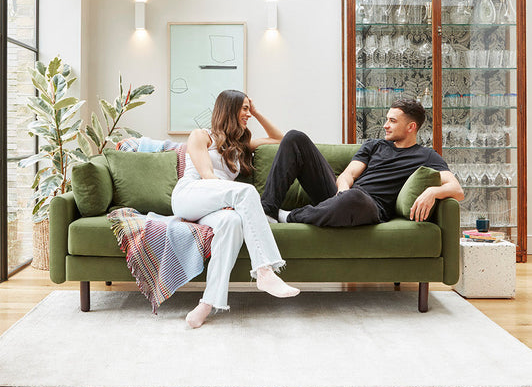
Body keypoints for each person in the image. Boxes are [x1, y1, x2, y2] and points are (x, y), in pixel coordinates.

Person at [171, 89, 299, 329]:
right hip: (191, 196)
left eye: (249, 109)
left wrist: (257, 111)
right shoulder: (201, 136)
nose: (248, 114)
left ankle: (207, 304)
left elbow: (279, 139)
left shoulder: (240, 146)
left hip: (217, 206)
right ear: (228, 109)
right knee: (247, 192)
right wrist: (231, 197)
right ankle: (264, 270)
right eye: (244, 108)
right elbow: (207, 176)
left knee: (232, 223)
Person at [261, 99, 464, 227]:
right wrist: (341, 191)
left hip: (369, 206)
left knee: (355, 198)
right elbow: (348, 175)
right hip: (343, 195)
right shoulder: (374, 145)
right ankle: (267, 211)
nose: (385, 125)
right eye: (387, 119)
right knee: (295, 137)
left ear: (411, 127)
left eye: (392, 121)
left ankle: (288, 217)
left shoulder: (427, 156)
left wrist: (432, 192)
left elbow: (457, 190)